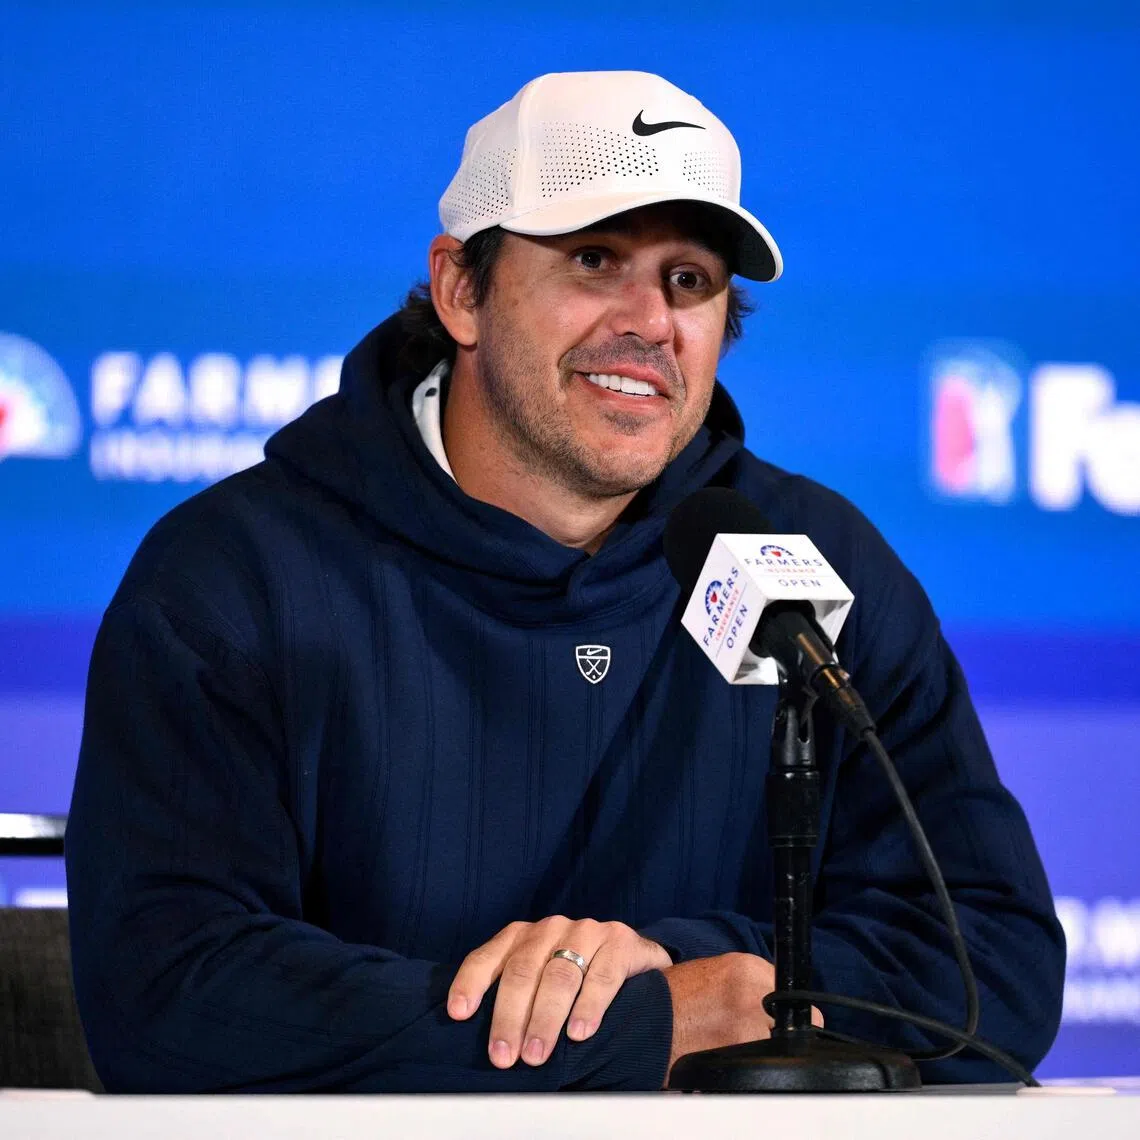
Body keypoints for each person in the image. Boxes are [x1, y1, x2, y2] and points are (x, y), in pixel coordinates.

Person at [65, 70, 1064, 1093]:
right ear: (462, 288)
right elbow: (166, 989)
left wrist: (705, 970)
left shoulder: (816, 561)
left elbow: (998, 965)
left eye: (689, 279)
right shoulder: (236, 576)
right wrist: (639, 1023)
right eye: (595, 260)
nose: (649, 322)